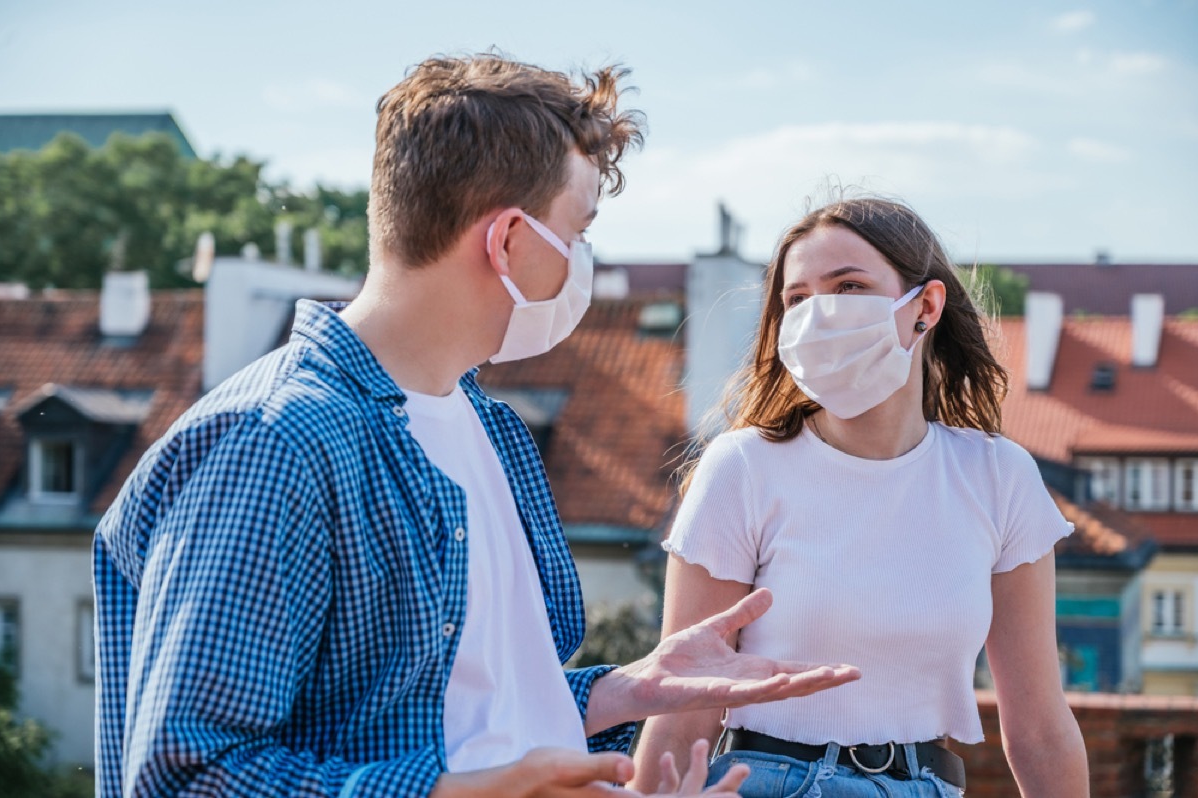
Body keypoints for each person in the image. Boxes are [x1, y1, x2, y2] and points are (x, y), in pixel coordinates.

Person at [92, 54, 860, 798]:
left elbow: (456, 711)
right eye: (579, 231)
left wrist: (628, 689)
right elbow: (186, 777)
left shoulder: (487, 426)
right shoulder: (275, 443)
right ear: (509, 241)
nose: (586, 260)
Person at [631, 197, 1090, 797]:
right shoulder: (742, 468)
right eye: (797, 299)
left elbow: (1038, 725)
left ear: (925, 306)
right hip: (768, 782)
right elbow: (683, 708)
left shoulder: (998, 476)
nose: (819, 315)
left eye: (848, 287)